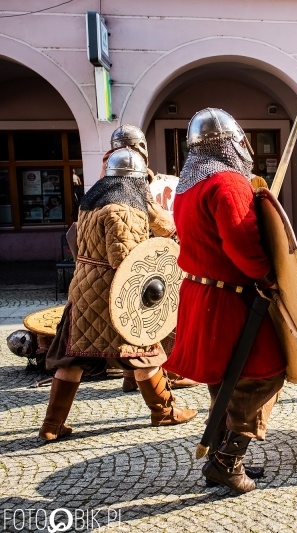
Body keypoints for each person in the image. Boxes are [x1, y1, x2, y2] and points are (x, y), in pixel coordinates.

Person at [163, 108, 286, 493]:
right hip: (231, 300)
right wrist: (267, 276)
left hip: (202, 293)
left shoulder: (187, 187)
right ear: (232, 142)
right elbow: (242, 243)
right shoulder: (228, 183)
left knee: (225, 376)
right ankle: (228, 461)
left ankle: (220, 453)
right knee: (265, 373)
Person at [37, 148, 198, 443]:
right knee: (144, 353)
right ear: (135, 180)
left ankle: (51, 425)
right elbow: (126, 260)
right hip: (114, 294)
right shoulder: (123, 209)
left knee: (71, 359)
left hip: (83, 290)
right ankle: (162, 412)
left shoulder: (89, 204)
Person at [104, 124, 196, 393]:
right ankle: (171, 373)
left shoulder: (104, 179)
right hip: (138, 260)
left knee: (129, 320)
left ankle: (131, 376)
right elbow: (161, 221)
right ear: (141, 148)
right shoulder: (134, 177)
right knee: (162, 316)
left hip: (110, 264)